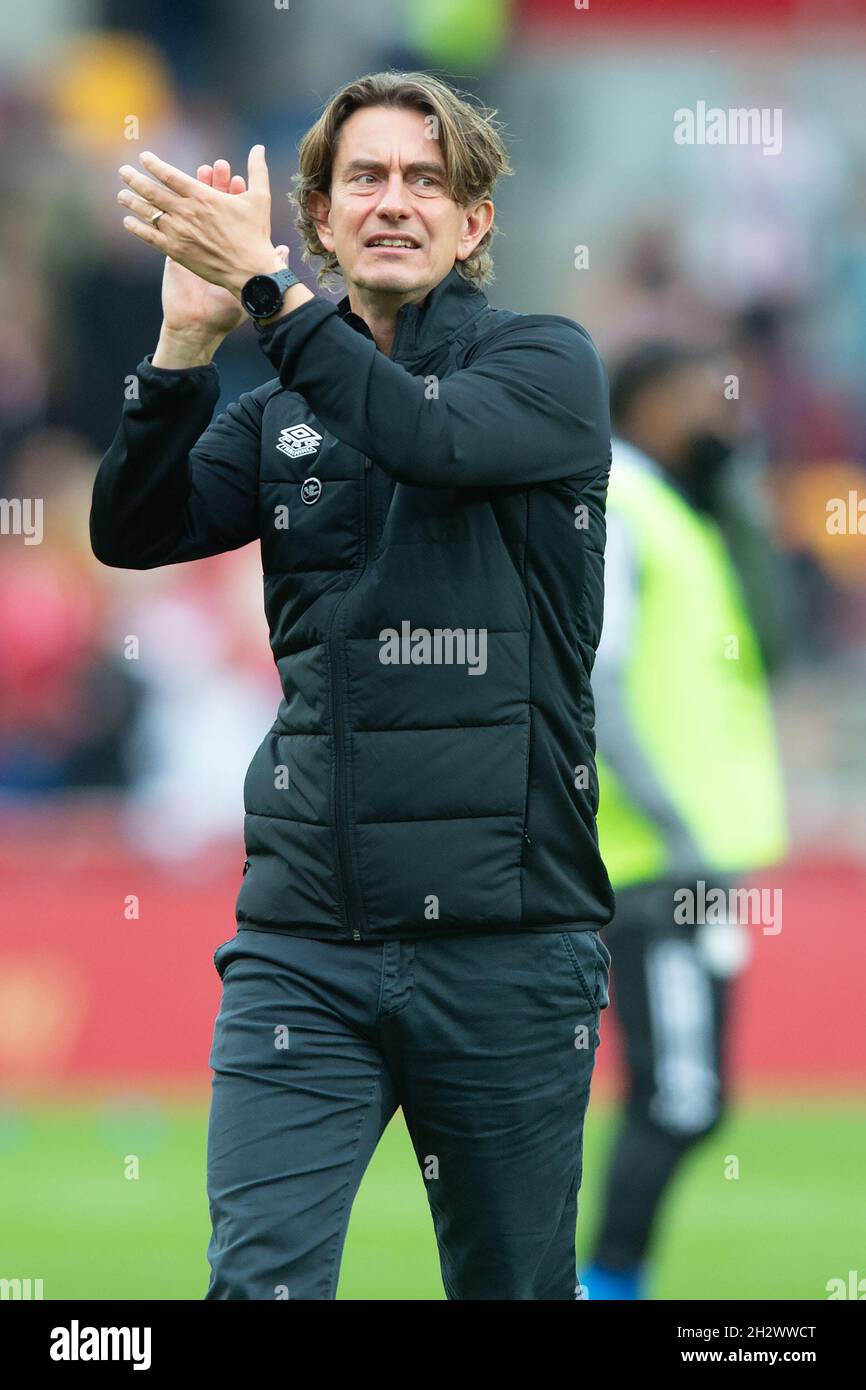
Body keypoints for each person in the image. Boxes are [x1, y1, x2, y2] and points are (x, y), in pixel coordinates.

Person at [90, 70, 614, 1300]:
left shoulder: (545, 367)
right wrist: (183, 342)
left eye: (426, 181)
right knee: (257, 1286)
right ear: (320, 217)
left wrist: (270, 295)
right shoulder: (279, 409)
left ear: (473, 224)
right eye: (363, 180)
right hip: (303, 944)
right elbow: (133, 529)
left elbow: (423, 434)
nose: (394, 203)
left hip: (508, 943)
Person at [584, 342, 788, 1300]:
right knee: (679, 1096)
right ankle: (604, 1287)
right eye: (705, 399)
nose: (723, 416)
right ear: (652, 404)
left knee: (690, 1101)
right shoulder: (622, 506)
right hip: (655, 861)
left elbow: (772, 642)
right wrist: (672, 822)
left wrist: (739, 490)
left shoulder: (677, 510)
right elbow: (600, 678)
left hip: (696, 861)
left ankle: (608, 1281)